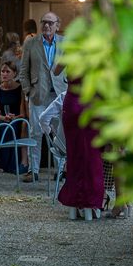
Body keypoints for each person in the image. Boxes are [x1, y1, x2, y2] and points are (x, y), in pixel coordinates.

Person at [20, 12, 68, 183]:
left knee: (58, 133)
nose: (47, 26)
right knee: (36, 132)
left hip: (58, 93)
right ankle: (33, 170)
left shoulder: (66, 43)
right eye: (44, 22)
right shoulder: (31, 43)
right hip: (38, 94)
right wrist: (28, 91)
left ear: (57, 25)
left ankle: (60, 170)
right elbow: (23, 70)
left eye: (50, 23)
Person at [57, 78, 104, 220]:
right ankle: (90, 203)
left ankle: (74, 204)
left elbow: (56, 70)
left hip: (72, 103)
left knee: (74, 156)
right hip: (90, 103)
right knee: (92, 156)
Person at [0, 60, 28, 174]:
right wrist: (4, 118)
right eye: (3, 71)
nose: (4, 74)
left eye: (8, 71)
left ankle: (14, 164)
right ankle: (1, 163)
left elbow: (23, 114)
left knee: (15, 126)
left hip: (17, 119)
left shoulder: (20, 89)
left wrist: (14, 117)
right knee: (1, 126)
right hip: (3, 119)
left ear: (14, 74)